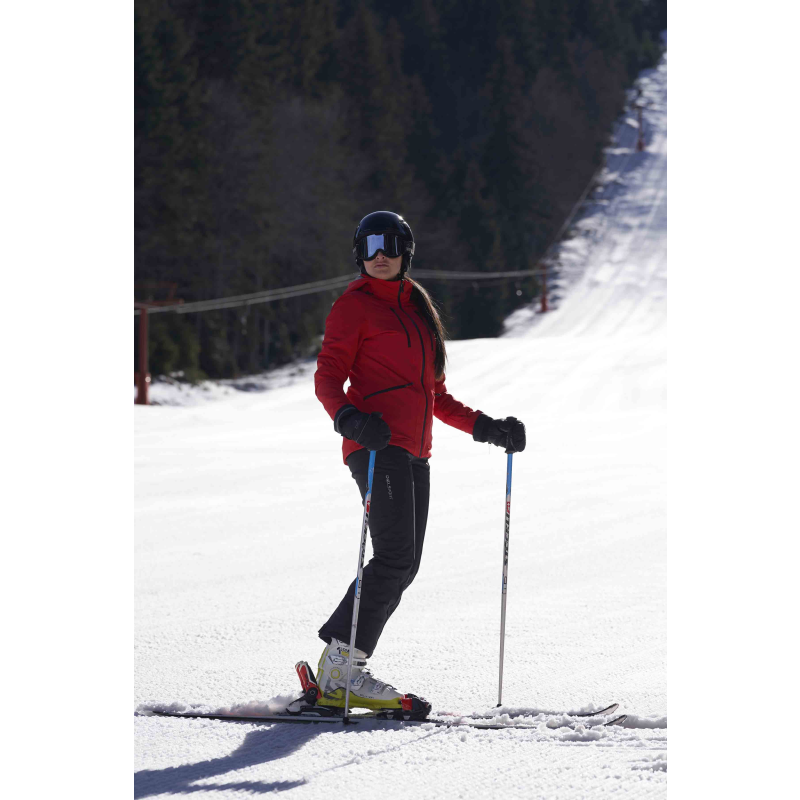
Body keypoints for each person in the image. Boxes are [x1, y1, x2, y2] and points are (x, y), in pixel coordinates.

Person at [313, 210, 526, 715]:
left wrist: (487, 427)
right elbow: (328, 377)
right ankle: (339, 669)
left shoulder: (418, 312)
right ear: (359, 254)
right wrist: (349, 419)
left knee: (404, 564)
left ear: (406, 251)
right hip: (374, 445)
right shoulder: (354, 306)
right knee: (393, 557)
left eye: (388, 244)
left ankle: (343, 667)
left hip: (414, 453)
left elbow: (436, 396)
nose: (379, 255)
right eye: (369, 246)